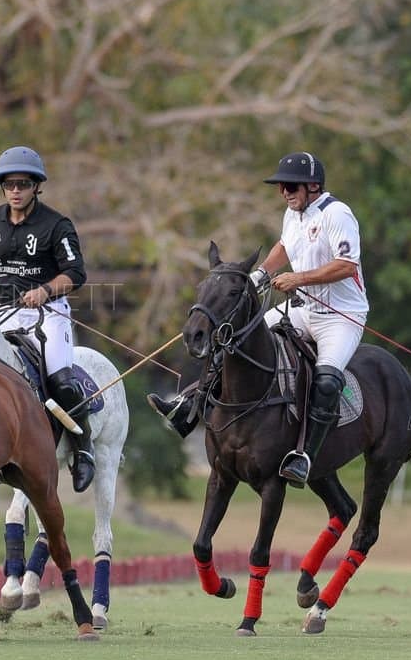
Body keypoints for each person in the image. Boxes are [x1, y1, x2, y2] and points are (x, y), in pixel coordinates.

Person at [147, 152, 367, 488]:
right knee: (239, 337)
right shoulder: (294, 214)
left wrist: (298, 278)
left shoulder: (338, 214)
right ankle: (188, 404)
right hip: (304, 308)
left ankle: (303, 457)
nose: (283, 192)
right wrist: (261, 273)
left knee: (325, 382)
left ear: (312, 185)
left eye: (289, 185)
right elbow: (285, 244)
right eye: (280, 186)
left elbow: (347, 265)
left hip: (341, 318)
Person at [0, 145, 94, 492]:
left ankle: (82, 449)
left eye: (23, 184)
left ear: (36, 186)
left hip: (46, 314)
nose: (15, 191)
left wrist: (45, 290)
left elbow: (76, 272)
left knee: (60, 379)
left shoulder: (56, 225)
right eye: (9, 184)